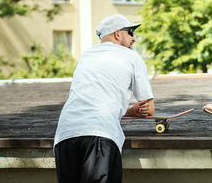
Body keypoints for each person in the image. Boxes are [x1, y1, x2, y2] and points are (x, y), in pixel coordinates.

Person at [54, 13, 155, 183]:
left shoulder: (86, 56)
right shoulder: (132, 57)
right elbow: (150, 109)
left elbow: (95, 100)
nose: (134, 39)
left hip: (65, 136)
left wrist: (129, 111)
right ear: (118, 34)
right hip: (100, 135)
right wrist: (140, 111)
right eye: (131, 32)